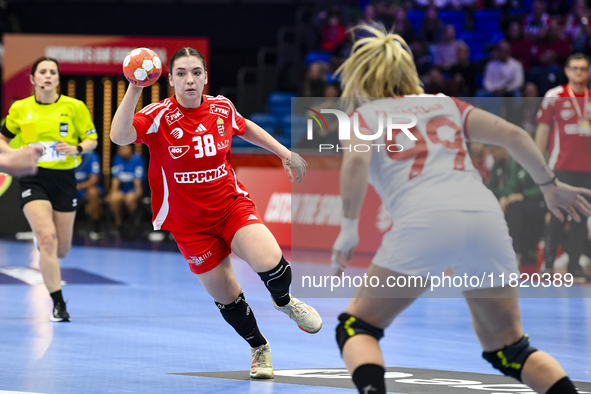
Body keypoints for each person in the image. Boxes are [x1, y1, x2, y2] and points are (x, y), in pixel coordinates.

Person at [330, 25, 590, 394]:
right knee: (511, 350)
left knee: (357, 328)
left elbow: (356, 162)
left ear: (360, 79)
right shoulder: (445, 103)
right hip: (485, 218)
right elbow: (515, 135)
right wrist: (550, 187)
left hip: (426, 219)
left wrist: (349, 225)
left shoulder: (366, 116)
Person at [110, 47, 322, 379]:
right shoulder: (158, 116)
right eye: (181, 73)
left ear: (206, 77)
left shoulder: (221, 107)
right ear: (170, 79)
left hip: (230, 208)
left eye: (196, 72)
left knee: (274, 265)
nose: (189, 80)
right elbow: (119, 136)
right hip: (190, 226)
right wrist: (135, 86)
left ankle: (284, 301)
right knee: (228, 298)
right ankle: (259, 348)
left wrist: (283, 152)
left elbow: (245, 126)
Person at [0, 56, 98, 322]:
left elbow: (92, 139)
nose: (47, 76)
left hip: (64, 178)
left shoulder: (74, 107)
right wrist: (13, 153)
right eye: (42, 72)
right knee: (47, 239)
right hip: (33, 178)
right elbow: (2, 137)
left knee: (61, 249)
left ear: (57, 79)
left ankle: (46, 243)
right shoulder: (21, 109)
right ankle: (58, 304)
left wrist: (77, 147)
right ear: (33, 79)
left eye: (52, 72)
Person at [535, 53, 591, 280]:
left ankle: (575, 264)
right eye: (575, 68)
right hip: (560, 166)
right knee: (557, 215)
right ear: (567, 71)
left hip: (587, 169)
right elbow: (542, 129)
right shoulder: (554, 96)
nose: (579, 73)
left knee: (581, 218)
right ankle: (548, 263)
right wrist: (537, 163)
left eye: (584, 69)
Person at [106, 144, 144, 238]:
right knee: (114, 198)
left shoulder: (138, 159)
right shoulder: (117, 159)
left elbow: (137, 181)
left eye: (125, 148)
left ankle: (135, 225)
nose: (123, 151)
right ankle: (119, 224)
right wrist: (112, 193)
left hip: (133, 188)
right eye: (120, 149)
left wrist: (138, 192)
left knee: (130, 199)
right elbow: (115, 179)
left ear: (130, 148)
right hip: (122, 189)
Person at [75, 151, 103, 240]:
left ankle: (96, 228)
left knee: (93, 193)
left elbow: (93, 180)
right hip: (70, 188)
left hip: (85, 188)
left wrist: (78, 186)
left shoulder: (92, 156)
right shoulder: (65, 155)